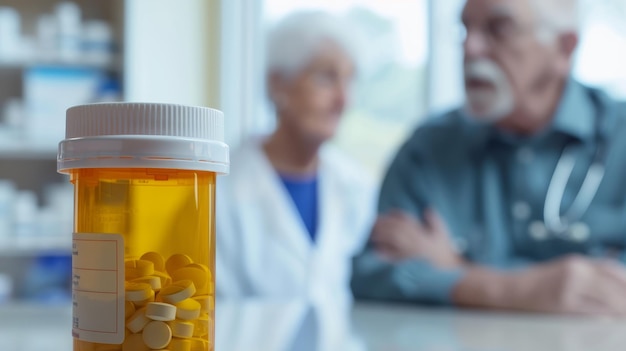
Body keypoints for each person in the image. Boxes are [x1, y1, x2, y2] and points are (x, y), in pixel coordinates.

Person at [352, 0, 626, 315]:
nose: (471, 48)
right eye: (464, 29)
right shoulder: (428, 148)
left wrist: (456, 270)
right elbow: (371, 274)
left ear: (564, 48)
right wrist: (514, 289)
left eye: (499, 28)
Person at [216, 11, 375, 305]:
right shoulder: (222, 191)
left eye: (349, 81)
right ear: (278, 84)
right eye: (327, 77)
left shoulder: (356, 187)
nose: (344, 100)